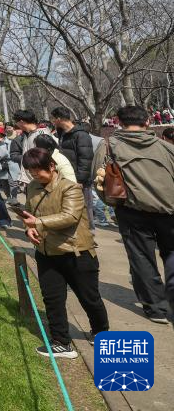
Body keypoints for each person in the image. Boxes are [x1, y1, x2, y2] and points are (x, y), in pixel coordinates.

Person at [21, 148, 109, 358]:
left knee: (89, 298)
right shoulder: (32, 187)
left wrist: (38, 222)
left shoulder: (70, 188)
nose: (35, 175)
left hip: (76, 252)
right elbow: (29, 213)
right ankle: (61, 342)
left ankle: (101, 332)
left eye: (38, 171)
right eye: (31, 172)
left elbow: (69, 216)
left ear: (52, 166)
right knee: (52, 298)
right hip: (46, 252)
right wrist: (29, 228)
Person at [93, 105, 174, 324]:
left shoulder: (108, 146)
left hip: (131, 211)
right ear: (147, 122)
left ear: (119, 122)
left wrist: (113, 204)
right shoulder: (165, 147)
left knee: (141, 259)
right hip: (169, 211)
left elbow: (99, 181)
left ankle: (156, 309)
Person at [10, 110, 50, 187]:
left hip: (41, 178)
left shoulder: (41, 134)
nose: (16, 125)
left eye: (16, 122)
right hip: (32, 178)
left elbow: (45, 157)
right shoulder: (27, 134)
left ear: (21, 122)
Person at [0, 126, 20, 199]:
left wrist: (1, 143)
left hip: (11, 163)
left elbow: (7, 153)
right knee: (4, 183)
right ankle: (8, 197)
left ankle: (14, 198)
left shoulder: (10, 142)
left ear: (3, 135)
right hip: (0, 164)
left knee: (13, 182)